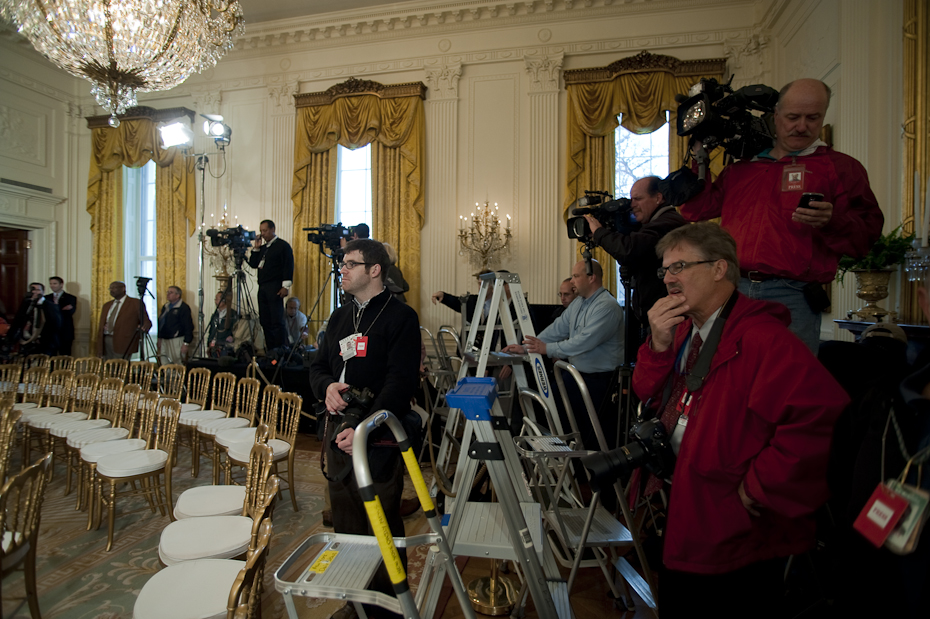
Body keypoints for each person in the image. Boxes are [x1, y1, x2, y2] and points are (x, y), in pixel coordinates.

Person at [633, 222, 848, 618]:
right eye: (665, 270)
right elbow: (646, 391)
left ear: (720, 268)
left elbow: (822, 417)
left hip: (731, 528)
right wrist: (658, 344)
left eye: (679, 266)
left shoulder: (763, 337)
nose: (668, 279)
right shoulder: (684, 331)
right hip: (683, 502)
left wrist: (757, 491)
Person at [679, 78, 884, 353]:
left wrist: (832, 221)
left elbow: (867, 236)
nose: (802, 126)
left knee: (786, 385)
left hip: (793, 294)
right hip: (732, 289)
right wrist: (699, 157)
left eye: (813, 118)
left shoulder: (839, 168)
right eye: (792, 117)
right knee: (729, 377)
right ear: (775, 116)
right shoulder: (742, 169)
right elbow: (695, 209)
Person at [308, 239, 420, 619]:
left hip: (377, 432)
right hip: (337, 429)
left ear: (375, 270)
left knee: (380, 523)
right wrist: (326, 387)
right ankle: (354, 603)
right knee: (346, 520)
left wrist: (365, 427)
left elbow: (400, 383)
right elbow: (318, 366)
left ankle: (388, 608)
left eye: (350, 264)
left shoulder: (400, 317)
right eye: (342, 264)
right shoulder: (340, 316)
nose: (342, 270)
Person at [503, 259, 623, 449]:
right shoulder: (579, 304)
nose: (572, 281)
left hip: (600, 381)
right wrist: (527, 346)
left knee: (591, 431)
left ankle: (588, 470)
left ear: (591, 278)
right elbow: (557, 329)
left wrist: (546, 349)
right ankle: (565, 462)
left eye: (576, 276)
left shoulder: (607, 307)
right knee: (552, 409)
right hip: (578, 375)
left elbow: (584, 342)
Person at [583, 175, 687, 345]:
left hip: (670, 320)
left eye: (638, 199)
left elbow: (629, 250)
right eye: (631, 199)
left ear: (658, 198)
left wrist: (599, 233)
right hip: (660, 317)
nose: (632, 205)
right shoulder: (654, 224)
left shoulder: (666, 223)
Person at [247, 219, 294, 351]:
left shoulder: (282, 246)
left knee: (276, 320)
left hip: (275, 286)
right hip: (262, 287)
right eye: (261, 231)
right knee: (265, 320)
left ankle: (279, 349)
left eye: (265, 231)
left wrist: (286, 286)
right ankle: (270, 349)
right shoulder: (262, 248)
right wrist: (256, 248)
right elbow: (253, 264)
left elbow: (288, 266)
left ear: (273, 229)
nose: (263, 234)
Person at [96, 281, 152, 360]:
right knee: (107, 366)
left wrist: (145, 326)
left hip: (124, 341)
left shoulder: (134, 303)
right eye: (110, 288)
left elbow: (146, 320)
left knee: (120, 367)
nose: (111, 290)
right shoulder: (107, 305)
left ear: (123, 289)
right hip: (106, 339)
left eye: (114, 288)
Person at [11, 282, 61, 356]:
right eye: (32, 290)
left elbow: (56, 324)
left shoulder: (50, 306)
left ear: (43, 292)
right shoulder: (26, 304)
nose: (34, 292)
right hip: (27, 343)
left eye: (38, 290)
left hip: (45, 343)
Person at [156, 286, 194, 365]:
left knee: (176, 362)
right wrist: (159, 338)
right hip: (164, 339)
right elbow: (161, 323)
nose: (168, 294)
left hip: (176, 339)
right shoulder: (165, 307)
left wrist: (186, 343)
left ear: (178, 295)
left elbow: (188, 326)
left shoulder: (183, 308)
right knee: (164, 360)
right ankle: (167, 376)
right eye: (168, 292)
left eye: (171, 292)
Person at [46, 276, 76, 355]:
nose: (52, 285)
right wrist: (61, 308)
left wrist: (55, 308)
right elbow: (46, 314)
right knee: (50, 359)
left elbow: (69, 313)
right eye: (51, 284)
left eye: (55, 283)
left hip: (65, 333)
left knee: (65, 358)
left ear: (61, 284)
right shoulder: (46, 298)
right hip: (50, 334)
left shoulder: (71, 298)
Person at [206, 290, 239, 358]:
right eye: (215, 299)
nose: (215, 301)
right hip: (213, 347)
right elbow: (211, 329)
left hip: (225, 348)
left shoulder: (233, 314)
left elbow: (237, 329)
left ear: (224, 300)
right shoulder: (215, 314)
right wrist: (209, 342)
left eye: (217, 299)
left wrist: (232, 337)